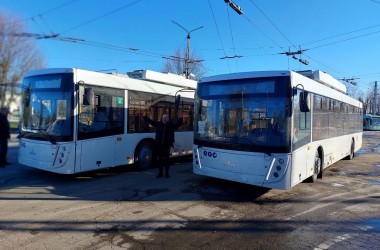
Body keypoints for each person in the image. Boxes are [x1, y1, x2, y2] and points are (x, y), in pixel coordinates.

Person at [142, 110, 183, 178]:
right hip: (159, 145)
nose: (164, 119)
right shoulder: (158, 124)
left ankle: (166, 173)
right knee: (160, 160)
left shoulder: (171, 125)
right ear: (161, 118)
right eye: (163, 118)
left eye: (166, 118)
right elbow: (150, 122)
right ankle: (160, 173)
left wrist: (181, 118)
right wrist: (145, 117)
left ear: (168, 119)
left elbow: (178, 124)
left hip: (167, 145)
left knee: (166, 160)